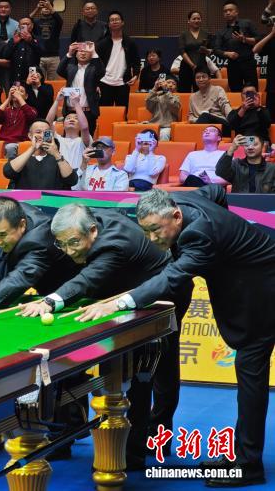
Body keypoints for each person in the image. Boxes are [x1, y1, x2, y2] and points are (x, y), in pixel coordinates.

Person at [83, 186, 275, 488]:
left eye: (156, 229)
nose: (151, 238)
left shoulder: (199, 236)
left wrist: (120, 302)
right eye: (145, 230)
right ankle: (245, 457)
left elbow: (171, 277)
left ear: (175, 216)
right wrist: (227, 235)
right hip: (257, 276)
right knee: (250, 370)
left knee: (250, 370)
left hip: (262, 289)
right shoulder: (185, 200)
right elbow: (216, 191)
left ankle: (248, 465)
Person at [20, 203, 191, 469]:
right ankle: (65, 435)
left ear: (92, 231)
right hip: (119, 291)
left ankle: (143, 445)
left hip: (160, 294)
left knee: (150, 366)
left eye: (74, 243)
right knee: (78, 360)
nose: (69, 250)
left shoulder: (113, 244)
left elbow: (87, 279)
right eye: (63, 244)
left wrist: (51, 301)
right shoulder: (84, 225)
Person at [0, 196, 79, 314]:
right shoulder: (13, 211)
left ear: (22, 225)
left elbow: (22, 275)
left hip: (70, 294)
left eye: (2, 235)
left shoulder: (39, 240)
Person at [4, 119, 78, 190]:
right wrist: (33, 148)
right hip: (25, 198)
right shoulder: (21, 158)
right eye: (38, 132)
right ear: (30, 135)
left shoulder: (58, 159)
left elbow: (72, 180)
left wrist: (56, 154)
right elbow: (8, 172)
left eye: (46, 133)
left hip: (51, 198)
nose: (42, 135)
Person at [57, 41, 105, 137]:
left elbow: (101, 72)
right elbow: (59, 70)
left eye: (86, 52)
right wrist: (69, 53)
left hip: (87, 112)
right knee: (68, 140)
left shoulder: (93, 69)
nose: (83, 53)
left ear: (91, 55)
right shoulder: (71, 68)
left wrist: (93, 52)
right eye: (80, 51)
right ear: (76, 54)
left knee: (86, 141)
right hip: (70, 112)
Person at [44, 90, 93, 182]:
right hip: (57, 178)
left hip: (79, 179)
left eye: (76, 118)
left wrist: (76, 103)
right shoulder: (56, 139)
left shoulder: (84, 140)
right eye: (68, 118)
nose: (72, 119)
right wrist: (57, 100)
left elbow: (85, 127)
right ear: (63, 125)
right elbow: (46, 125)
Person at [211, 1, 259, 93]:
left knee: (252, 92)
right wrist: (227, 53)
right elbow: (216, 50)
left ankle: (252, 103)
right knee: (235, 92)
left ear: (236, 12)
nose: (227, 12)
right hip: (233, 66)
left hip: (248, 64)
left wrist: (244, 39)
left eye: (230, 10)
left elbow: (259, 39)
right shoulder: (221, 32)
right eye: (225, 11)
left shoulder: (247, 23)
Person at [96, 11, 140, 108]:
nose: (114, 21)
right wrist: (96, 83)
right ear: (109, 24)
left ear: (122, 22)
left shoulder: (130, 42)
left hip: (123, 83)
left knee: (123, 112)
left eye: (117, 19)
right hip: (104, 82)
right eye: (112, 20)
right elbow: (96, 64)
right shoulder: (102, 44)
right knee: (104, 113)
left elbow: (136, 61)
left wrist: (136, 75)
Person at [0, 85, 38, 159]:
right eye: (15, 91)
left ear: (26, 96)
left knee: (11, 147)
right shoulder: (6, 110)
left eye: (21, 91)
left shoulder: (31, 109)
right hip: (3, 143)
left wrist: (19, 97)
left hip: (20, 143)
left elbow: (31, 117)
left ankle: (11, 166)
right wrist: (8, 98)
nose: (17, 93)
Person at [187, 68, 232, 135]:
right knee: (203, 117)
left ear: (209, 78)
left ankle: (195, 134)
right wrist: (198, 119)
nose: (201, 80)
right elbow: (191, 116)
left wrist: (232, 118)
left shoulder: (218, 90)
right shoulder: (192, 97)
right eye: (198, 77)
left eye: (203, 77)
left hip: (219, 124)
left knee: (205, 116)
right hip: (201, 124)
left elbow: (225, 105)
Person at [177, 10, 211, 93]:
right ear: (189, 21)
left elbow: (211, 50)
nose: (196, 20)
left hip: (202, 66)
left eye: (198, 18)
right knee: (184, 91)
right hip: (186, 66)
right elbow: (182, 51)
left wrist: (206, 50)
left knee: (202, 92)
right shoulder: (183, 34)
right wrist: (192, 66)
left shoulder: (206, 33)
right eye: (194, 19)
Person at [2, 16, 43, 84]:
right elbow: (5, 55)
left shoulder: (37, 39)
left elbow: (42, 53)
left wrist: (31, 41)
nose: (25, 26)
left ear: (32, 26)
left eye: (27, 24)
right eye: (23, 24)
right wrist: (14, 43)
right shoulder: (14, 39)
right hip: (15, 77)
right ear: (19, 26)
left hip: (31, 76)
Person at [30, 0, 63, 80]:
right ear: (41, 10)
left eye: (47, 7)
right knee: (37, 81)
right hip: (38, 57)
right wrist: (37, 8)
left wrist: (50, 7)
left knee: (55, 82)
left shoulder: (56, 21)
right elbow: (28, 19)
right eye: (44, 7)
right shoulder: (36, 22)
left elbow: (60, 20)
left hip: (54, 57)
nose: (46, 9)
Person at [146, 75, 181, 140]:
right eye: (168, 82)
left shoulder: (176, 98)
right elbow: (148, 105)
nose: (171, 85)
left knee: (164, 134)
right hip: (154, 124)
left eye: (173, 84)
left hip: (167, 126)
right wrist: (155, 88)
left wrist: (166, 91)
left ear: (176, 88)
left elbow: (173, 106)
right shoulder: (157, 96)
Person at [253, 21, 275, 120]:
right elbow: (255, 50)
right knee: (271, 118)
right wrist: (271, 34)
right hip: (273, 86)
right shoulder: (271, 39)